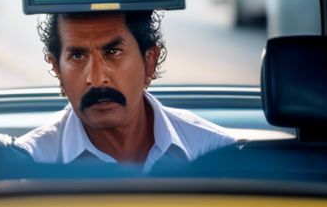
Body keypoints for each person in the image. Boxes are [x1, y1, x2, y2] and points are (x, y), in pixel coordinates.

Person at [14, 10, 237, 172]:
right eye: (78, 56)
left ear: (150, 61)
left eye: (113, 52)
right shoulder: (30, 165)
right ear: (57, 69)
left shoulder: (214, 152)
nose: (97, 78)